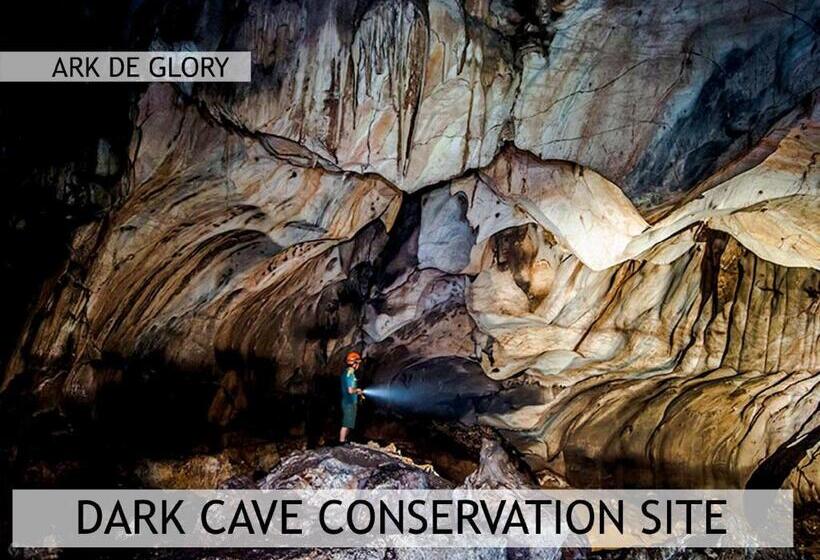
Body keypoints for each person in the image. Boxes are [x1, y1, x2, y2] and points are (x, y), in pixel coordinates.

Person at [339, 351, 364, 443]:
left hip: (349, 402)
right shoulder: (350, 374)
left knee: (349, 423)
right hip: (349, 402)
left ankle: (344, 441)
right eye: (358, 363)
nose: (358, 366)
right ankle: (341, 442)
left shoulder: (347, 373)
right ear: (354, 363)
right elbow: (350, 390)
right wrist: (358, 391)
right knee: (346, 424)